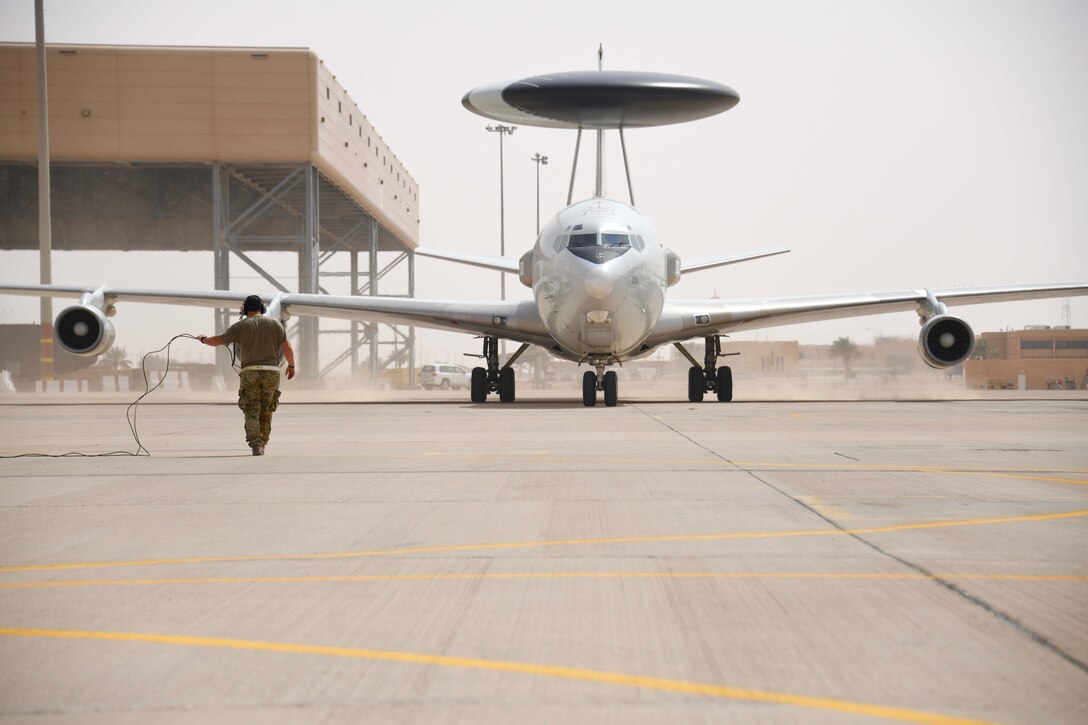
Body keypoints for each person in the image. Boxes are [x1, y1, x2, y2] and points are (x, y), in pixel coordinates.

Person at [198, 295, 295, 455]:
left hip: (250, 372)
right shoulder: (275, 324)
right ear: (262, 309)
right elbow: (288, 347)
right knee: (267, 408)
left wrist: (203, 339)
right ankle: (263, 441)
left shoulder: (240, 326)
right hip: (271, 372)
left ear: (244, 309)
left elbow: (217, 341)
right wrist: (291, 366)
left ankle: (255, 443)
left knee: (251, 408)